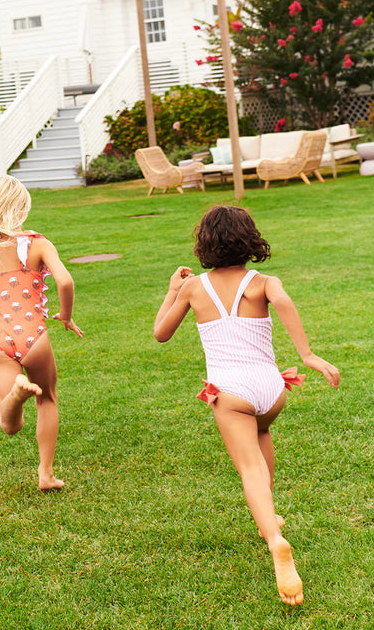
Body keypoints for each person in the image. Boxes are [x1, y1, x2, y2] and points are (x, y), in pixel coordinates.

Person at [154, 205, 339, 606]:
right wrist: (306, 354)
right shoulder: (264, 282)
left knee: (249, 466)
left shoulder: (192, 288)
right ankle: (267, 519)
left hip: (231, 390)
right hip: (271, 388)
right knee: (263, 431)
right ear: (249, 240)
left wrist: (172, 290)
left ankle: (275, 540)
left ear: (204, 244)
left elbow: (161, 333)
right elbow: (285, 301)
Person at [0, 175, 82, 490]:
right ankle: (46, 474)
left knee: (10, 425)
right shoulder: (38, 243)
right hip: (34, 336)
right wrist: (65, 316)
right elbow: (65, 282)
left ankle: (16, 394)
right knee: (48, 398)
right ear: (20, 209)